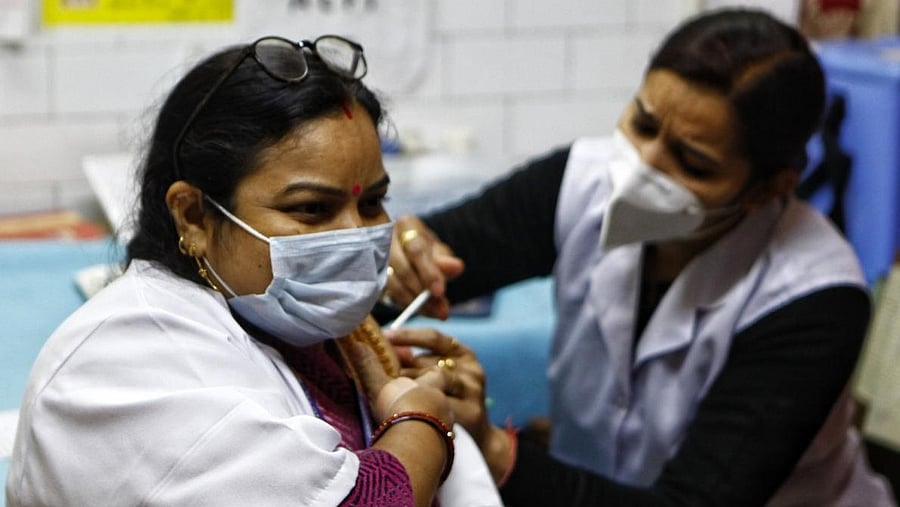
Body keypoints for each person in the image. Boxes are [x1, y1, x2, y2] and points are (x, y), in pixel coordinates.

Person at [382, 8, 897, 506]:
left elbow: (694, 501)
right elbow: (424, 265)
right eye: (643, 125)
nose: (642, 169)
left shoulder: (815, 299)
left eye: (692, 163)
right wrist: (399, 262)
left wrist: (495, 449)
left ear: (770, 187)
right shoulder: (579, 181)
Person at [5, 35, 501, 507]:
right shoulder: (124, 359)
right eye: (310, 209)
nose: (354, 234)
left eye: (372, 202)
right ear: (194, 216)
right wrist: (423, 421)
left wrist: (456, 415)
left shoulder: (326, 342)